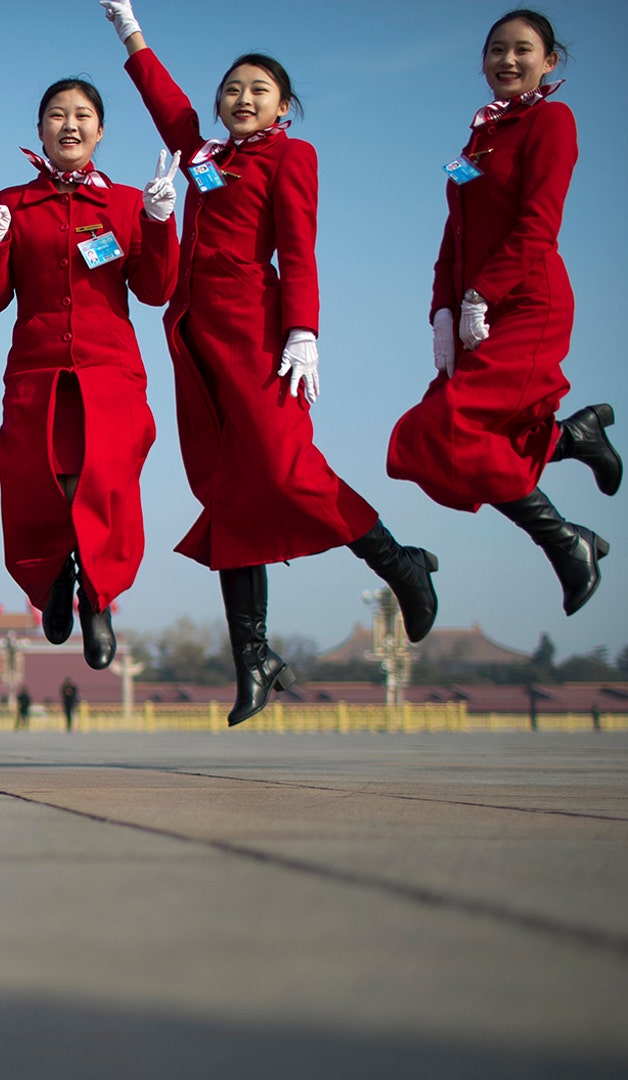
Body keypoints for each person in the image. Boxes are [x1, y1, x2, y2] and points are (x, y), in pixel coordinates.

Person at [102, 0, 439, 726]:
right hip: (196, 341)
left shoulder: (292, 156)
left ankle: (398, 562)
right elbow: (169, 107)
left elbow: (300, 247)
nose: (242, 99)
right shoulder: (203, 155)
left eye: (258, 90)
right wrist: (129, 30)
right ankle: (252, 656)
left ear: (284, 106)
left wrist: (303, 331)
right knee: (227, 493)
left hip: (257, 335)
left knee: (289, 470)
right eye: (232, 88)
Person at [386, 9, 614, 617]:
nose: (508, 61)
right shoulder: (476, 139)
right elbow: (452, 234)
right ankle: (571, 445)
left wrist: (481, 294)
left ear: (549, 61)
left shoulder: (552, 121)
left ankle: (566, 540)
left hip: (526, 304)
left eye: (522, 50)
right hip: (468, 311)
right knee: (419, 445)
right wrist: (441, 308)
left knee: (453, 432)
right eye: (496, 50)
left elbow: (540, 224)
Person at [0, 76, 178, 670]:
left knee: (102, 482)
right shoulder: (12, 202)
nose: (69, 125)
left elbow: (156, 289)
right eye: (57, 115)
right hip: (38, 369)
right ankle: (55, 581)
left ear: (100, 130)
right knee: (41, 482)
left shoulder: (124, 203)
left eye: (82, 114)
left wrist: (160, 224)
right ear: (39, 130)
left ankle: (98, 596)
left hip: (108, 370)